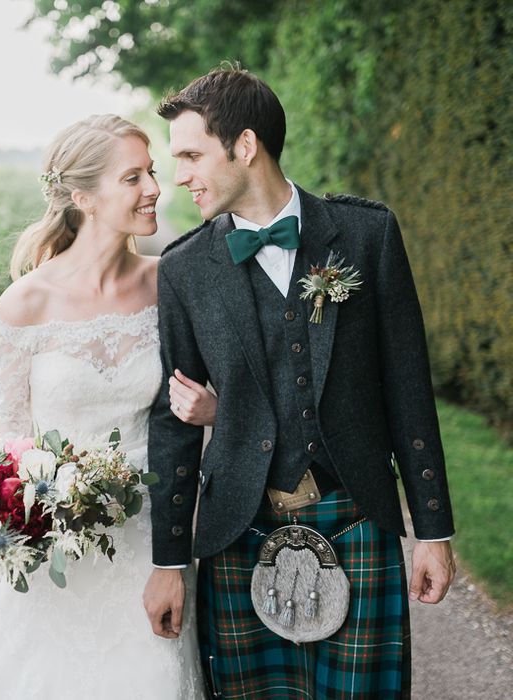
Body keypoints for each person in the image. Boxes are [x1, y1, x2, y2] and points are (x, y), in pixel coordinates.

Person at [143, 68, 456, 699]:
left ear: (247, 146)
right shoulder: (183, 269)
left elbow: (408, 389)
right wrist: (169, 564)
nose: (179, 176)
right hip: (238, 529)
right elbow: (172, 423)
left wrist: (433, 531)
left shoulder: (367, 235)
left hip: (356, 515)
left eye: (191, 155)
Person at [0, 114, 210, 699]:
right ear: (83, 196)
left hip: (151, 535)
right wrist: (19, 509)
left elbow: (202, 391)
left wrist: (216, 407)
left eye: (152, 173)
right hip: (55, 542)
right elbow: (9, 429)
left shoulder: (169, 283)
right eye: (132, 177)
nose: (153, 189)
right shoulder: (25, 304)